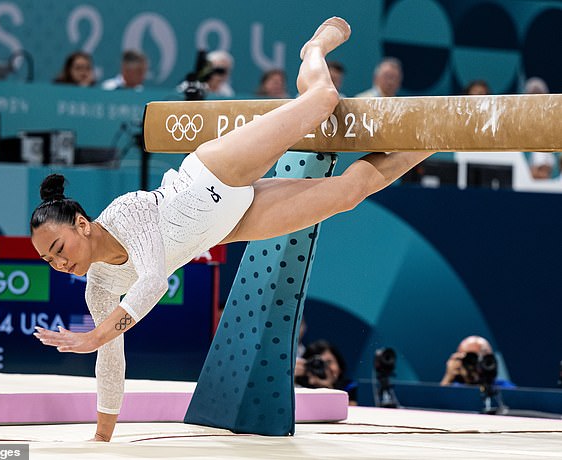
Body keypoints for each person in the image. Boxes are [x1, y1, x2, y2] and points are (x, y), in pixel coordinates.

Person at [31, 17, 435, 441]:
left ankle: (314, 48)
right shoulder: (98, 287)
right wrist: (102, 438)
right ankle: (434, 136)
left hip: (213, 175)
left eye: (58, 247)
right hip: (230, 223)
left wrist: (95, 333)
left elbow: (153, 280)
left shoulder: (124, 212)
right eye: (48, 260)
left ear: (81, 223)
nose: (59, 263)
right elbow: (111, 361)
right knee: (352, 192)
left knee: (321, 101)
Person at [295, 340, 358, 405]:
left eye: (329, 362)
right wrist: (292, 380)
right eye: (318, 364)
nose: (325, 368)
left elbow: (349, 411)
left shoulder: (349, 386)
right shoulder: (300, 387)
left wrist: (328, 388)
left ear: (339, 364)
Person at [440, 335, 514, 388]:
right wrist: (448, 377)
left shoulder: (504, 388)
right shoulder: (453, 388)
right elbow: (440, 402)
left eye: (484, 358)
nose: (477, 365)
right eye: (471, 359)